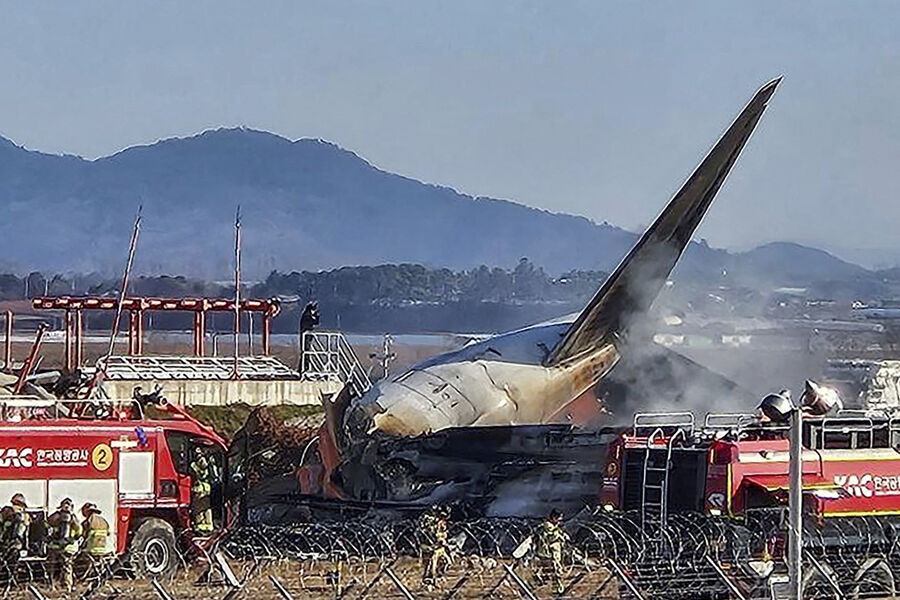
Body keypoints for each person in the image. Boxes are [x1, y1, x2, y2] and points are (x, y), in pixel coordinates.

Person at [47, 498, 82, 591]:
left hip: (56, 547)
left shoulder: (56, 516)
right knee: (66, 567)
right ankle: (66, 587)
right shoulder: (74, 518)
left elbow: (47, 523)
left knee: (53, 567)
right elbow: (79, 532)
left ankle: (52, 586)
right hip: (67, 547)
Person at [533, 509, 569, 595]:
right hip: (550, 551)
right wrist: (560, 535)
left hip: (554, 551)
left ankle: (555, 587)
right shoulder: (548, 525)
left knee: (552, 570)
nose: (560, 521)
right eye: (559, 519)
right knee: (556, 570)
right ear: (553, 517)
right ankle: (559, 588)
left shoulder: (553, 526)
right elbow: (552, 537)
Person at [419, 504, 451, 591]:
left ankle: (437, 577)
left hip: (440, 548)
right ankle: (429, 582)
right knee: (430, 567)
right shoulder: (430, 521)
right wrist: (439, 539)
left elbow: (443, 533)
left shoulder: (442, 522)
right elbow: (429, 533)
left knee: (447, 562)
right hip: (430, 547)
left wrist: (444, 540)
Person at [80, 503, 113, 578]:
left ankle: (88, 576)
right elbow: (108, 533)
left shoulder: (88, 521)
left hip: (92, 548)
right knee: (100, 563)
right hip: (103, 548)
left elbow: (83, 535)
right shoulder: (104, 521)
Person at [190, 445, 214, 535]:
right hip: (205, 488)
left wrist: (193, 466)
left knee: (199, 509)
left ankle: (201, 526)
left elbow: (202, 474)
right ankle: (207, 526)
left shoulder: (199, 462)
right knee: (205, 508)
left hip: (200, 489)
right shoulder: (205, 460)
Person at [1, 493, 30, 564]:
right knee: (11, 566)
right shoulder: (22, 516)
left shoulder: (5, 512)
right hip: (14, 545)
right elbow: (22, 534)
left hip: (5, 544)